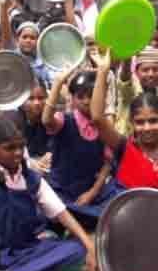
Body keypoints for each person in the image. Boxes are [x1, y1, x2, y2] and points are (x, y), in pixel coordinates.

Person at [0, 93, 97, 271]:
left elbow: (62, 213)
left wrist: (90, 246)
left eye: (20, 147)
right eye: (9, 148)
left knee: (76, 249)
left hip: (29, 249)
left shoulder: (31, 178)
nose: (17, 153)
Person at [91, 50, 158, 192]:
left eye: (153, 121)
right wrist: (103, 71)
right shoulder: (126, 148)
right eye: (140, 122)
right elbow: (98, 118)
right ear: (132, 123)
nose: (147, 128)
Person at [42, 70, 119, 227]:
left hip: (89, 190)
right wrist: (57, 83)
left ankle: (76, 218)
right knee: (54, 206)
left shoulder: (104, 126)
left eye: (91, 96)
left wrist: (92, 193)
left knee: (117, 197)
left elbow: (107, 163)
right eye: (80, 97)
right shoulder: (64, 121)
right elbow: (46, 120)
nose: (86, 101)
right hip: (61, 190)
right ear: (72, 99)